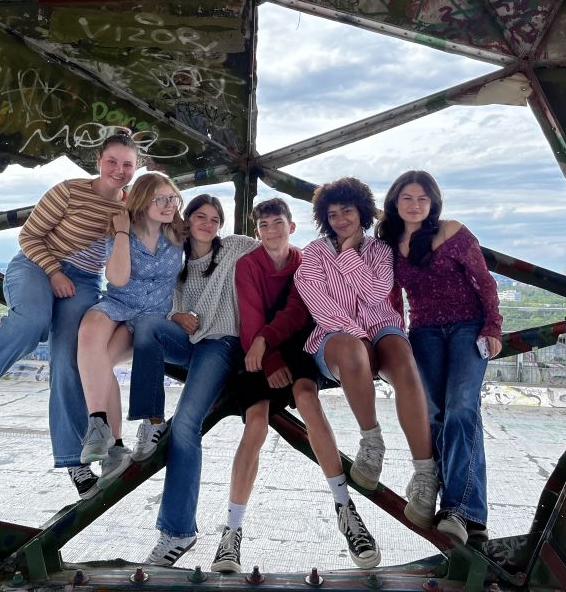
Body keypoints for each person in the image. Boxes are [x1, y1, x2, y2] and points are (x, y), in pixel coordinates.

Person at [0, 133, 139, 499]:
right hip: (36, 266)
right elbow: (30, 236)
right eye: (112, 161)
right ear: (98, 161)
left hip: (85, 281)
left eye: (128, 164)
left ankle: (75, 461)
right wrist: (54, 272)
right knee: (32, 319)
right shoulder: (69, 191)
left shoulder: (128, 209)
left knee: (70, 362)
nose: (119, 170)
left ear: (136, 168)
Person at [211, 197, 380, 573]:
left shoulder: (305, 260)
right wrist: (267, 358)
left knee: (307, 397)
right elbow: (250, 320)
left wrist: (269, 348)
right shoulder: (248, 265)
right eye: (264, 226)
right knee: (255, 424)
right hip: (258, 352)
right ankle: (231, 532)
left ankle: (344, 509)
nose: (270, 231)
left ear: (291, 227)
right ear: (258, 232)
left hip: (295, 346)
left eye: (277, 224)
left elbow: (298, 311)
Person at [294, 177, 439, 530]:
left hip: (382, 328)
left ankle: (425, 473)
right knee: (354, 351)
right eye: (333, 214)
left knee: (405, 363)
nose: (341, 219)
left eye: (348, 211)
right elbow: (319, 305)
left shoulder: (379, 251)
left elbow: (376, 296)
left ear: (361, 212)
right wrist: (359, 337)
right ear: (323, 219)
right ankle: (371, 441)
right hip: (336, 336)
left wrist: (347, 254)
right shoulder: (313, 254)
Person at [128, 194, 257, 566]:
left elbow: (278, 248)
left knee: (186, 423)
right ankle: (151, 419)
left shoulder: (234, 247)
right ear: (187, 221)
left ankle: (178, 532)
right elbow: (160, 303)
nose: (208, 223)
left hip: (222, 345)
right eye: (200, 216)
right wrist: (177, 313)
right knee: (147, 326)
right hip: (192, 341)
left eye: (215, 218)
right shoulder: (177, 262)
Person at [376, 170, 501, 545]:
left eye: (422, 199)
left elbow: (484, 281)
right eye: (407, 199)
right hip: (425, 333)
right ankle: (467, 512)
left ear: (433, 203)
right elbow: (390, 297)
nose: (415, 206)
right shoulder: (390, 243)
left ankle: (458, 509)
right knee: (433, 414)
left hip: (467, 327)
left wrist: (492, 327)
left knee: (462, 409)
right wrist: (392, 339)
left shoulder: (451, 231)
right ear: (395, 203)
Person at [76, 172, 184, 491]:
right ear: (142, 202)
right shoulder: (122, 231)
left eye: (172, 198)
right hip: (121, 304)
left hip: (152, 317)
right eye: (160, 199)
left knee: (103, 361)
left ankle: (115, 442)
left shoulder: (180, 233)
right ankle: (102, 428)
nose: (169, 205)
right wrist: (122, 233)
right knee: (91, 332)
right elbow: (119, 280)